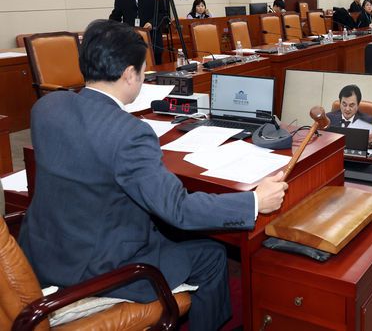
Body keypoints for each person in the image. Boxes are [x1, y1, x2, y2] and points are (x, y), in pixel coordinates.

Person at [19, 19, 288, 330]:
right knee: (213, 255)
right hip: (98, 269)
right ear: (129, 74)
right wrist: (254, 201)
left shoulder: (47, 107)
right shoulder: (129, 133)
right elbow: (178, 210)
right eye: (143, 70)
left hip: (44, 253)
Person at [110, 0, 164, 64]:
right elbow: (115, 17)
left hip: (152, 39)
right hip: (130, 40)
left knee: (155, 69)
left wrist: (152, 23)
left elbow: (163, 13)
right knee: (133, 69)